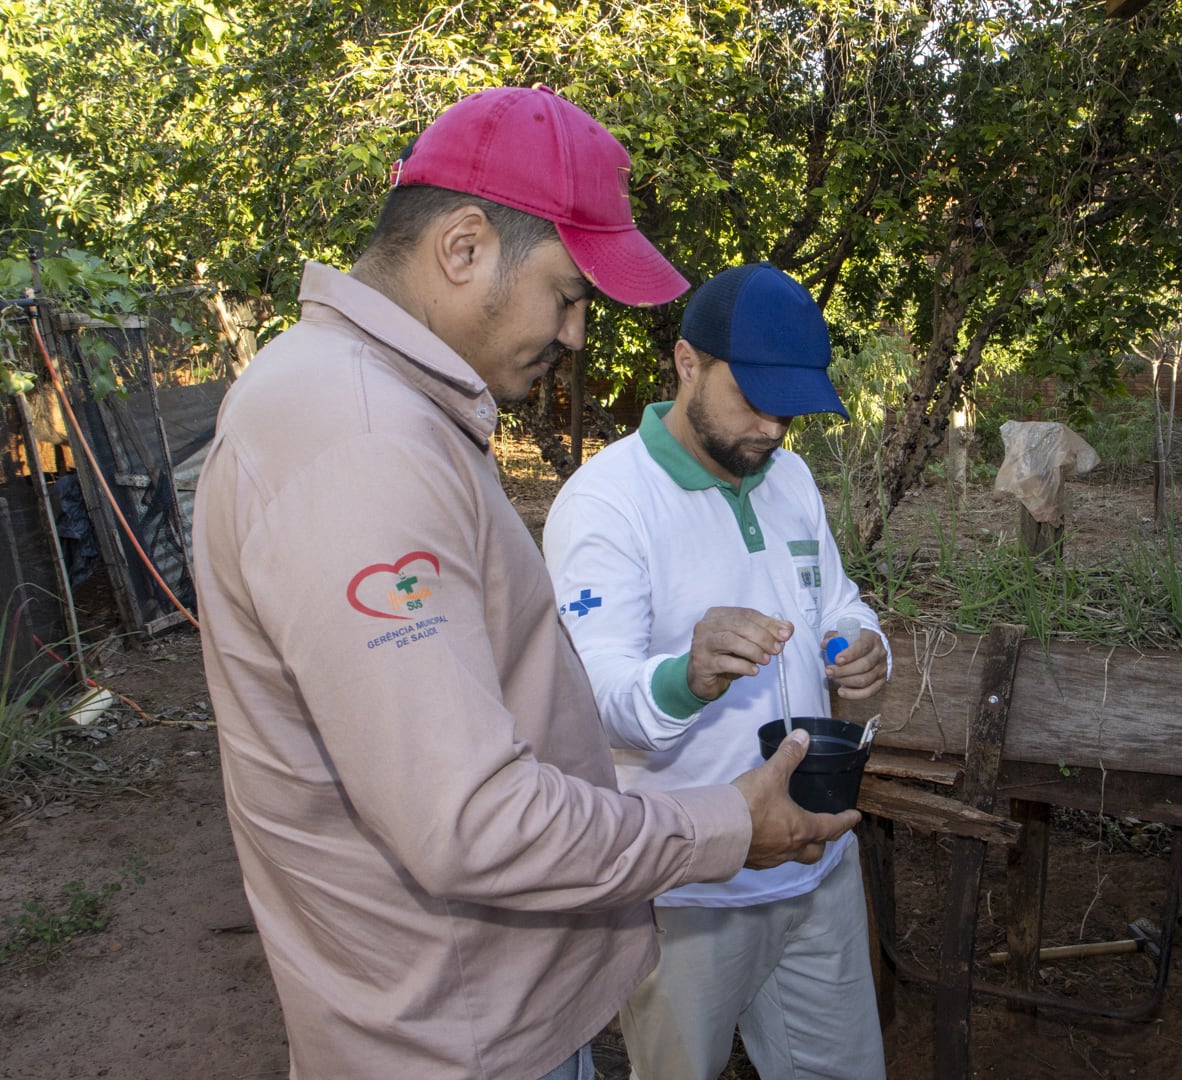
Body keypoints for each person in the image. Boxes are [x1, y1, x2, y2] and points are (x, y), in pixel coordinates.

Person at [191, 88, 857, 1080]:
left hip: (467, 1008)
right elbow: (469, 821)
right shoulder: (360, 440)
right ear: (463, 250)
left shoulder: (365, 408)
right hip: (453, 1036)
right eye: (569, 294)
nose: (578, 333)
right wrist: (721, 824)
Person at [542, 262, 890, 1080]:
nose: (772, 428)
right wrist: (686, 676)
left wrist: (857, 640)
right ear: (687, 362)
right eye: (754, 398)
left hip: (815, 859)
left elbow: (835, 596)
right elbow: (591, 695)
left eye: (789, 407)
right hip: (688, 885)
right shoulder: (606, 504)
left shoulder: (791, 479)